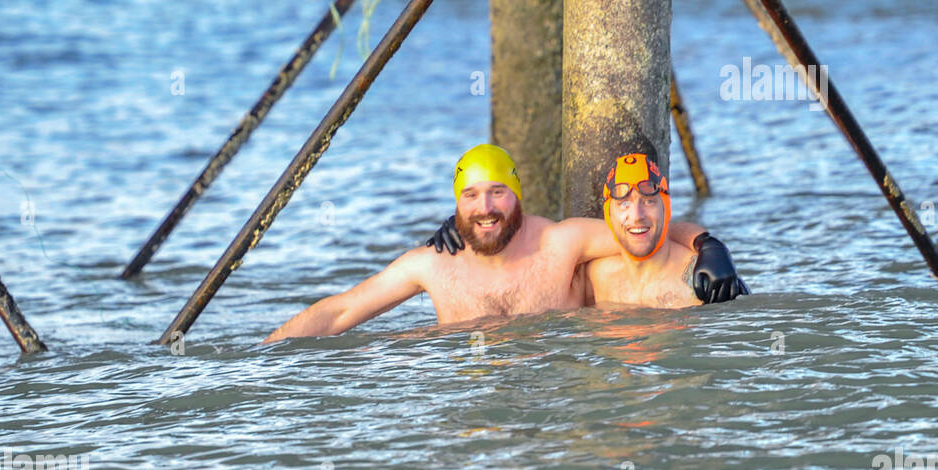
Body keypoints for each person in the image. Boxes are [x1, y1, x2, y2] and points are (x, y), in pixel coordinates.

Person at [262, 143, 711, 342]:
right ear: (456, 205)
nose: (486, 207)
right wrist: (261, 357)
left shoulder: (562, 243)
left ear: (517, 196)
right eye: (471, 196)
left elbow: (642, 227)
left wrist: (709, 247)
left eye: (498, 192)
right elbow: (342, 310)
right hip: (468, 407)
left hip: (554, 401)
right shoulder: (433, 265)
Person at [582, 151, 749, 308]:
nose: (637, 216)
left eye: (648, 201)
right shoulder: (595, 279)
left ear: (666, 209)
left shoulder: (702, 279)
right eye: (624, 204)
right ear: (609, 215)